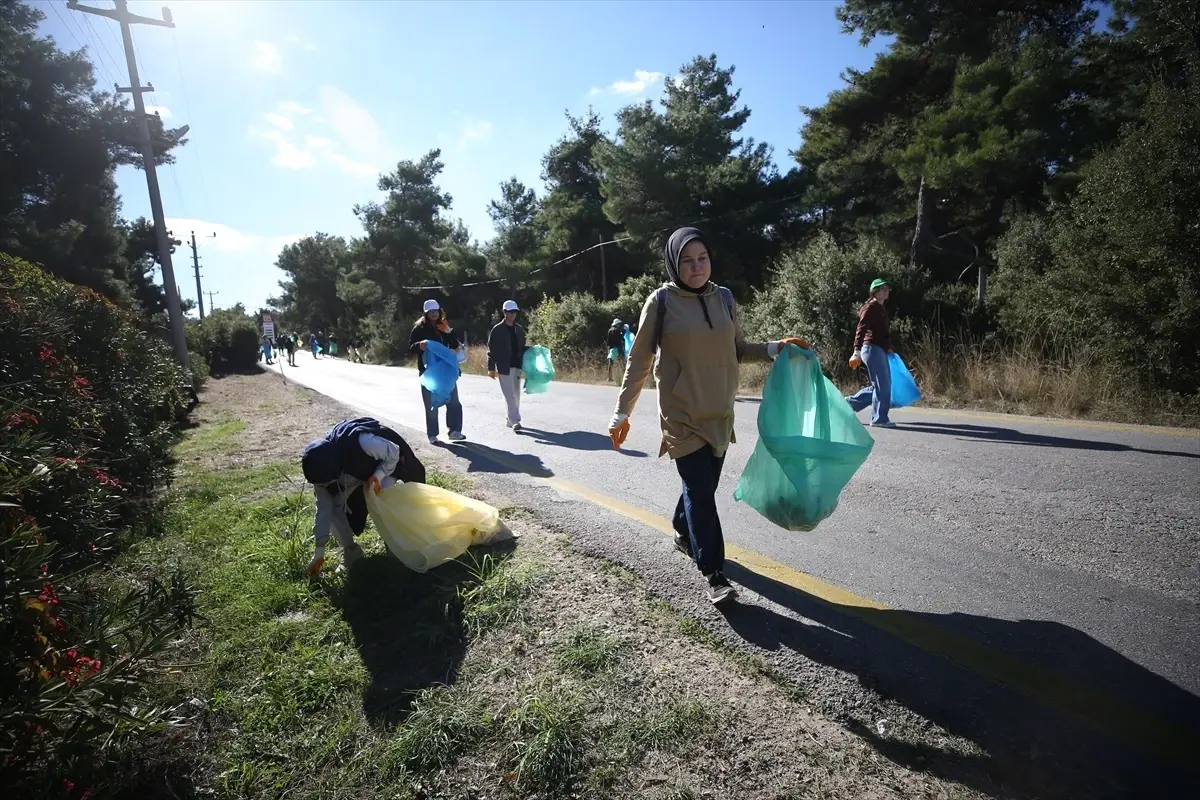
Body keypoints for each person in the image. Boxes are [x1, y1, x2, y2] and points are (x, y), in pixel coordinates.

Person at [608, 227, 809, 605]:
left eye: (702, 258)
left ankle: (683, 530)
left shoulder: (725, 298)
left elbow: (739, 348)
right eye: (687, 260)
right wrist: (622, 412)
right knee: (701, 493)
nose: (696, 266)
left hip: (719, 412)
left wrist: (775, 348)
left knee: (701, 489)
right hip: (681, 415)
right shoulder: (661, 301)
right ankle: (715, 573)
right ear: (673, 263)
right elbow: (638, 361)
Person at [301, 417, 426, 576]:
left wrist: (378, 475)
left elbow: (393, 451)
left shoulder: (362, 442)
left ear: (336, 471)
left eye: (326, 483)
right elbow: (323, 509)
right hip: (354, 473)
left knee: (381, 498)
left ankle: (395, 546)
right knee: (333, 508)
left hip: (385, 463)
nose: (324, 487)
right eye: (321, 485)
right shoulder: (319, 469)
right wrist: (319, 552)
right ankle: (351, 552)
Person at [409, 299, 466, 444]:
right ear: (426, 313)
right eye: (431, 312)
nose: (434, 314)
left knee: (453, 402)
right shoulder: (419, 329)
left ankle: (455, 431)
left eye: (436, 311)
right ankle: (433, 435)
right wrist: (419, 345)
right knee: (431, 404)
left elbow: (454, 345)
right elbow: (410, 347)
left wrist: (449, 331)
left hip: (447, 371)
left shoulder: (444, 327)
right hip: (429, 372)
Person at [845, 278, 896, 428]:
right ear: (875, 292)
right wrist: (856, 350)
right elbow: (861, 328)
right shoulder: (870, 307)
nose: (886, 291)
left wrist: (888, 347)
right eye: (883, 289)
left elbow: (881, 333)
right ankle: (879, 418)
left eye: (887, 289)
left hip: (878, 349)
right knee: (882, 385)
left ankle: (849, 404)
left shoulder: (880, 308)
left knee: (879, 386)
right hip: (871, 349)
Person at [487, 299, 528, 431]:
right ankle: (515, 420)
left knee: (516, 394)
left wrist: (533, 352)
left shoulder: (519, 329)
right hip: (504, 366)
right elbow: (492, 350)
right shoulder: (497, 330)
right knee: (509, 395)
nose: (512, 315)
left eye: (514, 312)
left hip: (517, 365)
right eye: (509, 312)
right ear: (504, 312)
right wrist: (491, 368)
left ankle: (510, 419)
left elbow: (522, 348)